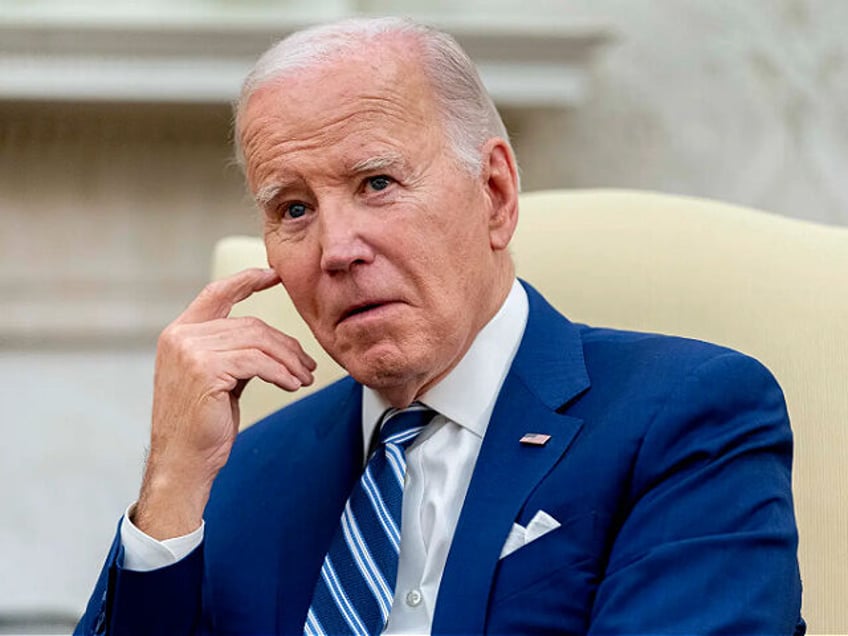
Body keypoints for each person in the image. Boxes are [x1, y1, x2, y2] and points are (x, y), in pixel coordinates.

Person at [75, 16, 804, 636]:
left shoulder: (688, 414)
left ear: (494, 194)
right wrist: (171, 481)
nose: (336, 250)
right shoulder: (243, 473)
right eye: (293, 209)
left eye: (377, 184)